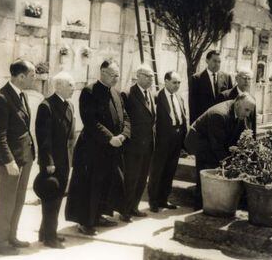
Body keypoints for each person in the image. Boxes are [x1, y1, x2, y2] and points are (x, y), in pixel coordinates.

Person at [65, 61, 130, 235]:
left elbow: (125, 116)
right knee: (89, 186)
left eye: (117, 75)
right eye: (112, 74)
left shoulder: (117, 93)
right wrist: (110, 138)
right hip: (92, 149)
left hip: (112, 148)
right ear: (102, 72)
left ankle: (99, 215)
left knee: (106, 185)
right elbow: (91, 120)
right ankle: (85, 221)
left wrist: (124, 134)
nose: (116, 78)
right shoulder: (89, 91)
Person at [0, 59, 36, 255]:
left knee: (17, 200)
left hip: (23, 159)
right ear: (21, 77)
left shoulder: (21, 95)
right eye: (32, 75)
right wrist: (9, 161)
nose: (35, 78)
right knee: (5, 203)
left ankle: (11, 236)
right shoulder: (1, 98)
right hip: (8, 162)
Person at [184, 94, 256, 210]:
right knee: (207, 171)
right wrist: (228, 163)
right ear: (237, 104)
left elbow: (240, 136)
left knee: (218, 166)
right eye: (246, 110)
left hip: (213, 140)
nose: (248, 114)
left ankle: (213, 205)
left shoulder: (240, 111)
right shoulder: (219, 114)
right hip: (199, 141)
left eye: (250, 111)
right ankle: (200, 207)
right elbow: (217, 146)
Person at [34, 72, 76, 249]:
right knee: (50, 198)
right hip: (52, 162)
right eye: (70, 85)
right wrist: (48, 161)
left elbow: (70, 136)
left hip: (64, 160)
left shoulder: (69, 105)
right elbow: (44, 138)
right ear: (58, 86)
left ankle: (46, 232)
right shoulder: (47, 106)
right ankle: (50, 238)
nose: (73, 88)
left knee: (57, 198)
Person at [121, 64, 156, 222]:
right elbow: (125, 120)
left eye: (152, 76)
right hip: (133, 146)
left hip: (148, 145)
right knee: (131, 178)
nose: (151, 79)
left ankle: (134, 207)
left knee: (142, 178)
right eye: (147, 76)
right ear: (139, 76)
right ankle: (125, 210)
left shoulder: (150, 95)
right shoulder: (128, 94)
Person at [148, 71, 187, 212]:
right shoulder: (157, 97)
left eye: (179, 83)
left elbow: (183, 119)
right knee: (157, 171)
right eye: (174, 82)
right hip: (162, 140)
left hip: (176, 139)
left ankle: (163, 199)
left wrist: (184, 141)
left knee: (170, 171)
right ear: (166, 81)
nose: (177, 85)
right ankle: (153, 201)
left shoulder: (179, 98)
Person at [189, 50, 233, 124]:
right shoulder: (197, 78)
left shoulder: (227, 77)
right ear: (207, 60)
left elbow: (230, 100)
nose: (217, 64)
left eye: (219, 62)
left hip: (222, 120)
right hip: (204, 120)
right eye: (214, 61)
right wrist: (194, 124)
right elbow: (193, 104)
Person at [217, 68, 257, 139]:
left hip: (245, 140)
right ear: (237, 78)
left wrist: (253, 141)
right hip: (228, 140)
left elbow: (253, 123)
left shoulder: (252, 99)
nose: (247, 81)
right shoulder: (225, 96)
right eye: (244, 78)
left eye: (249, 79)